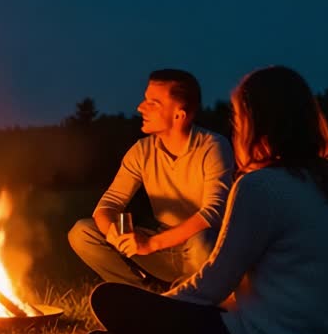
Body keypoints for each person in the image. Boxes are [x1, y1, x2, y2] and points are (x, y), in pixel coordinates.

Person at [87, 66, 328, 334]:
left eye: (239, 119)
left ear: (255, 124)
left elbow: (213, 284)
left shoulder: (259, 186)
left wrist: (161, 307)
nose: (236, 128)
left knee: (108, 299)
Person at [68, 69, 234, 289]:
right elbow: (107, 205)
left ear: (179, 115)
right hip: (162, 247)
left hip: (202, 249)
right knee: (82, 233)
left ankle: (196, 299)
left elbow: (213, 213)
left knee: (203, 241)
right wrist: (115, 235)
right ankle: (141, 296)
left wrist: (151, 243)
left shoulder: (213, 146)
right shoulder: (141, 151)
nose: (140, 107)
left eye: (153, 103)